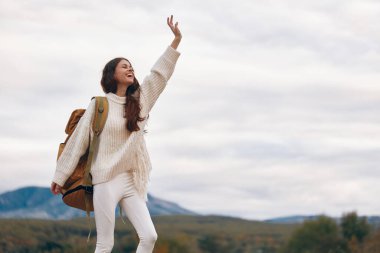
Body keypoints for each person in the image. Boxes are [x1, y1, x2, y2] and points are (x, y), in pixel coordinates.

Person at [50, 15, 182, 253]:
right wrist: (60, 176)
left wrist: (175, 42)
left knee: (149, 236)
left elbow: (158, 76)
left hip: (130, 179)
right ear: (112, 75)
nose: (130, 68)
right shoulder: (100, 105)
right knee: (105, 243)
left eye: (131, 65)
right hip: (104, 180)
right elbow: (79, 142)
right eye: (124, 66)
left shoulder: (139, 102)